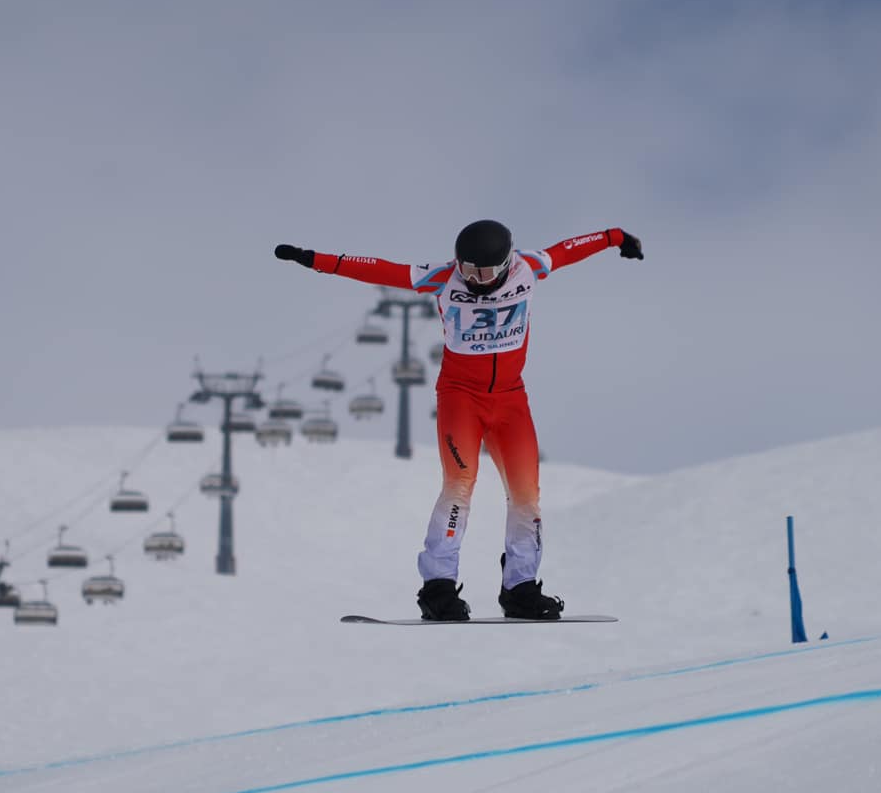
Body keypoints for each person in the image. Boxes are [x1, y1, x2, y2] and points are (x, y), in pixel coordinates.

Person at [275, 220, 644, 619]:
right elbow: (378, 268)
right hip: (460, 399)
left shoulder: (530, 267)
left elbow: (572, 247)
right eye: (467, 270)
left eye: (484, 273)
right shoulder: (442, 278)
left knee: (526, 496)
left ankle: (520, 588)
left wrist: (616, 238)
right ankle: (438, 587)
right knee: (459, 486)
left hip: (510, 401)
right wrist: (314, 260)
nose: (474, 281)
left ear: (505, 264)